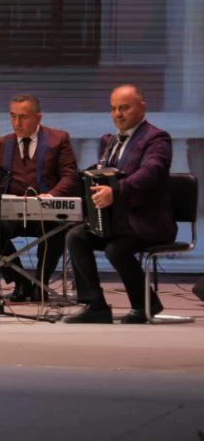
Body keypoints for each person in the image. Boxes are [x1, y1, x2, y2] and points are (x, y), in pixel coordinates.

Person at [64, 85, 174, 324]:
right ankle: (95, 306)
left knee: (116, 248)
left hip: (147, 222)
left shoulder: (157, 138)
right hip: (117, 222)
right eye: (113, 109)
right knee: (76, 236)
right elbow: (106, 171)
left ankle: (145, 304)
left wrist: (115, 192)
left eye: (124, 108)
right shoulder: (110, 140)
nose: (118, 114)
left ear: (142, 107)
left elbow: (150, 173)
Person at [0, 94, 79, 302]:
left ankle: (41, 284)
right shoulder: (0, 144)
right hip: (13, 214)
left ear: (38, 117)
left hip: (47, 213)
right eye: (13, 116)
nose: (17, 122)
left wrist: (51, 195)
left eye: (23, 117)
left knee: (56, 229)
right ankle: (21, 281)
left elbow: (70, 176)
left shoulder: (58, 139)